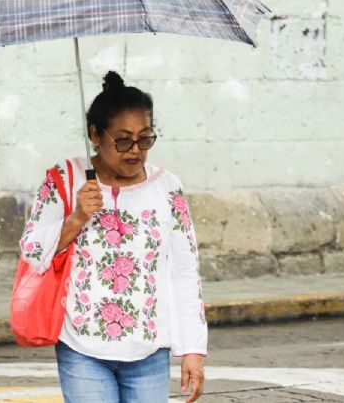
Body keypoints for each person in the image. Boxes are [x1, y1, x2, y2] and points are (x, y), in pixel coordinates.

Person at [19, 71, 207, 403]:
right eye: (122, 140)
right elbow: (33, 251)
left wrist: (192, 348)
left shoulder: (168, 187)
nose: (135, 150)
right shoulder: (63, 179)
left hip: (149, 349)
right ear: (95, 134)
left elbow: (184, 270)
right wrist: (76, 218)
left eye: (145, 139)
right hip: (82, 348)